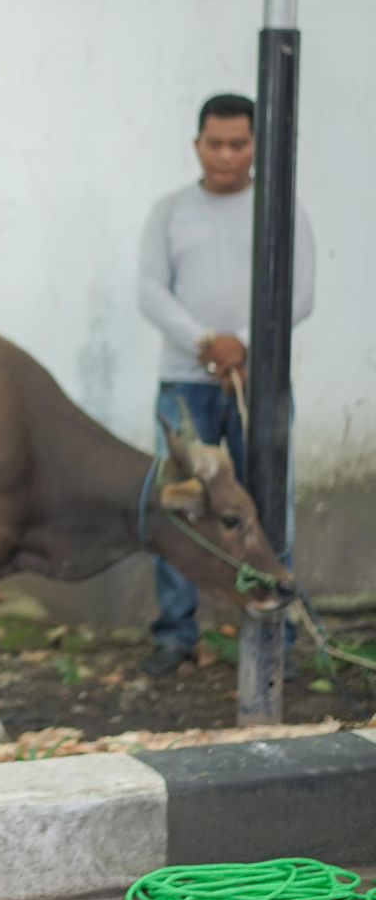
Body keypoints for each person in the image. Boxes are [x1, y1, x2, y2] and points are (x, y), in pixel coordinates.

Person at [137, 93, 315, 677]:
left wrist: (242, 343)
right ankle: (176, 633)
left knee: (268, 501)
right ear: (198, 145)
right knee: (180, 503)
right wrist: (206, 343)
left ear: (255, 146)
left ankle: (275, 633)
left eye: (238, 144)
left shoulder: (280, 210)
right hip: (184, 383)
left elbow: (299, 293)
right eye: (215, 144)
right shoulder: (170, 211)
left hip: (257, 384)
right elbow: (150, 292)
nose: (226, 155)